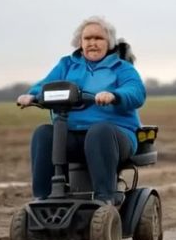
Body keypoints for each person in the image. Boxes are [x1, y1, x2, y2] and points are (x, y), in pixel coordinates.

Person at [16, 16, 146, 205]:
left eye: (98, 38)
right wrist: (33, 95)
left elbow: (136, 91)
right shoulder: (67, 65)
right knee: (44, 134)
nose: (92, 43)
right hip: (71, 134)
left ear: (108, 42)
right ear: (80, 42)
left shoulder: (121, 68)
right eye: (87, 39)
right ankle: (42, 199)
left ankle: (105, 199)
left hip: (114, 135)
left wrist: (114, 95)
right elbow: (45, 85)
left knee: (99, 131)